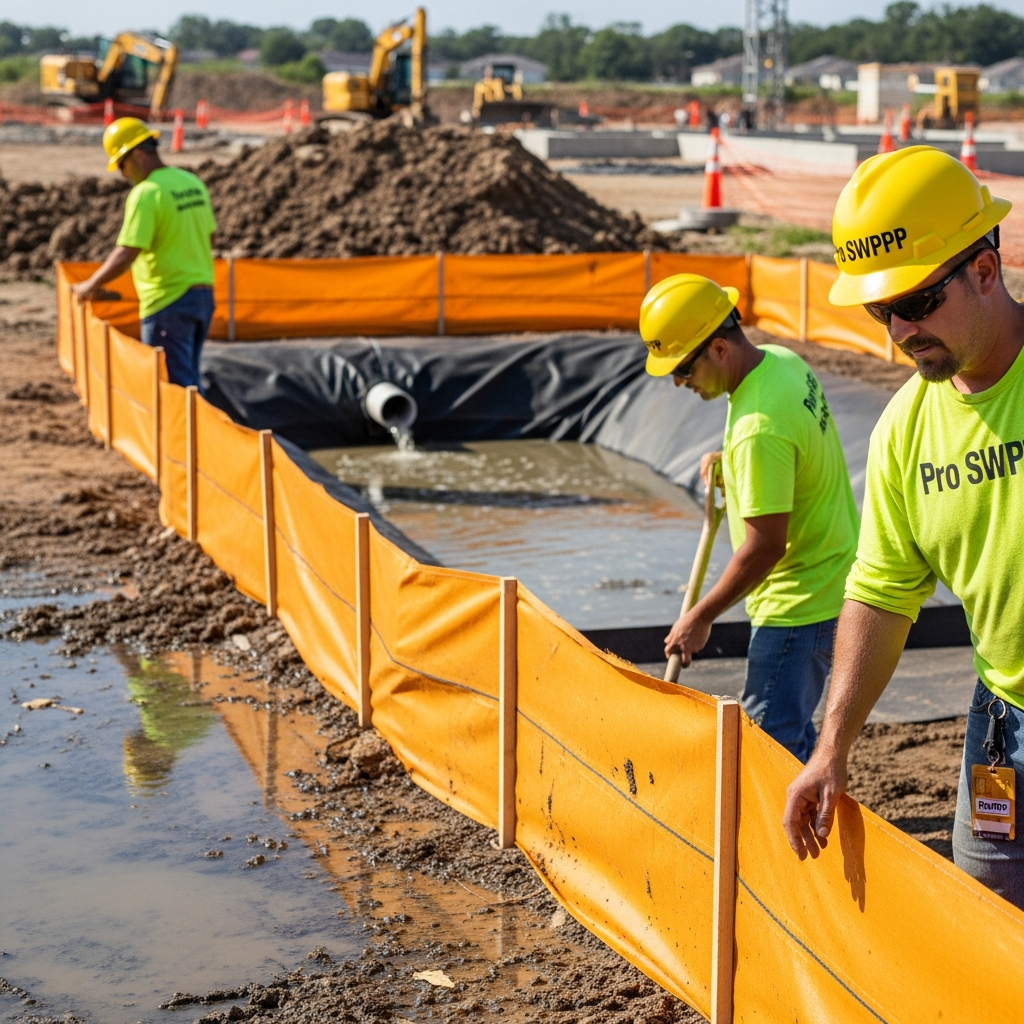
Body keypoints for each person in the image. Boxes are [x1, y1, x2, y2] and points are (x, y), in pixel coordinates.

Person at [781, 146, 1024, 908]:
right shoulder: (905, 433)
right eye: (879, 311)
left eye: (916, 301)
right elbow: (882, 594)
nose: (898, 329)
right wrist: (831, 746)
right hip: (1006, 724)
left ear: (984, 270)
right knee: (989, 915)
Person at [640, 274, 859, 762]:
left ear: (719, 349)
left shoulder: (758, 429)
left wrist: (700, 617)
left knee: (768, 751)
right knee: (791, 740)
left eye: (683, 368)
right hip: (831, 578)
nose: (679, 382)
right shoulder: (780, 363)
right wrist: (733, 461)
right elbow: (792, 448)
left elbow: (765, 546)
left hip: (797, 606)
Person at [72, 117, 216, 390]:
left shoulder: (146, 193)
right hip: (202, 298)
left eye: (121, 164)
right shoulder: (192, 183)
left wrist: (90, 285)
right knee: (189, 382)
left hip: (167, 300)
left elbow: (127, 252)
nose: (123, 174)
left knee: (172, 389)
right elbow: (210, 236)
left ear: (137, 153)